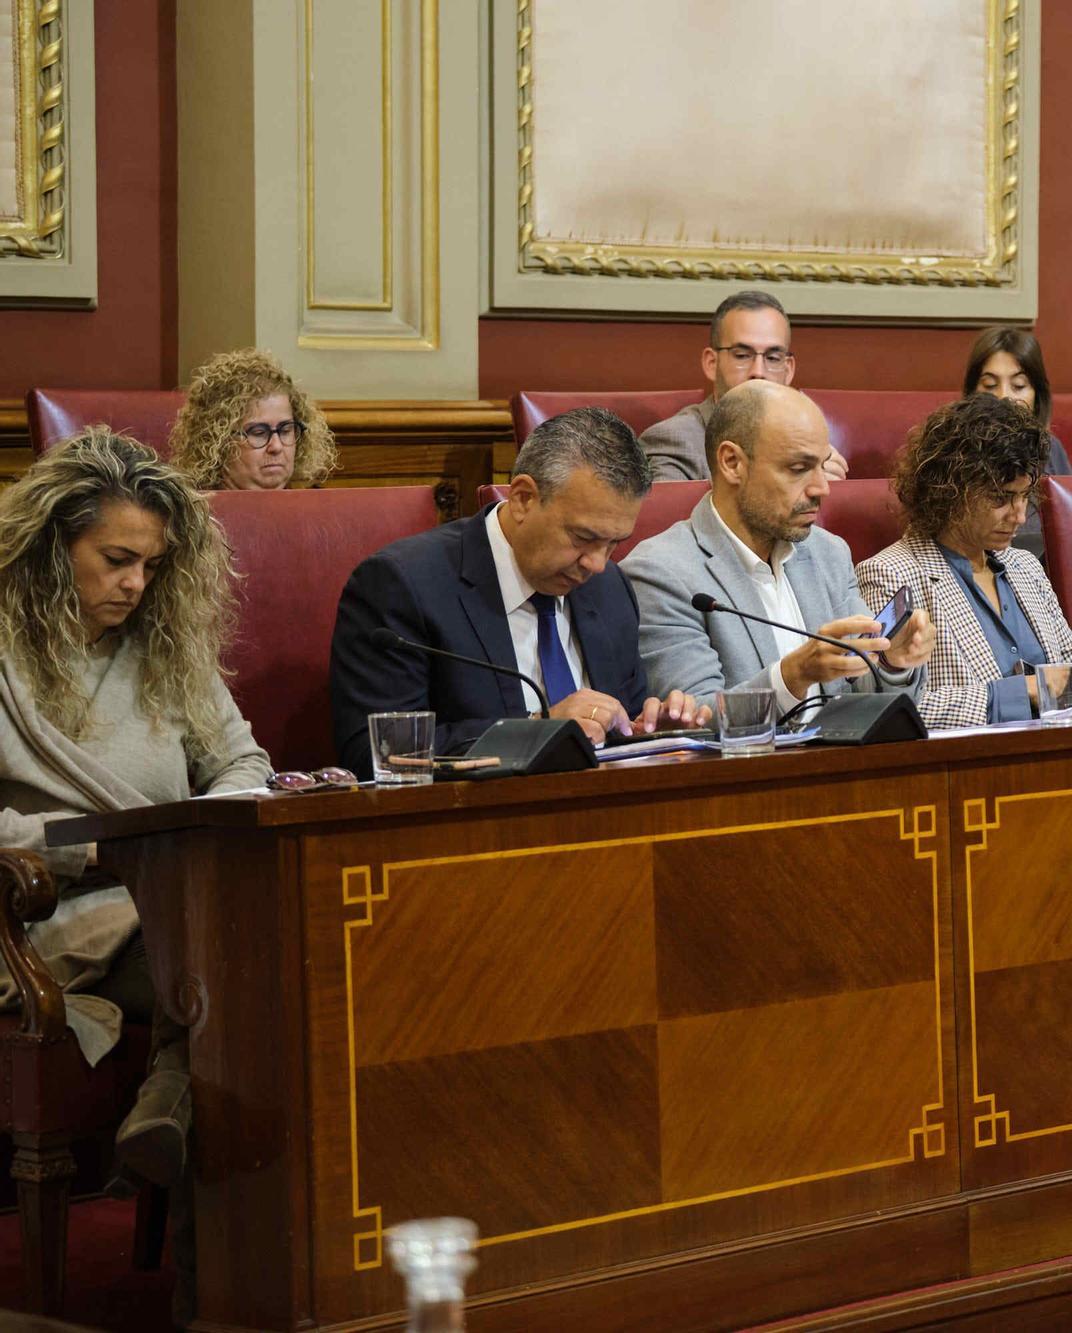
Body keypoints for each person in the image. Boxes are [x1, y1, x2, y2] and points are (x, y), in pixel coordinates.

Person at [0, 428, 271, 1209]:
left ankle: (165, 1120)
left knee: (237, 949)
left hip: (170, 900)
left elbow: (244, 762)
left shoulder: (164, 648)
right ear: (54, 548)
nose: (137, 584)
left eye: (152, 565)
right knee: (236, 957)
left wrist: (205, 828)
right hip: (47, 917)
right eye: (116, 560)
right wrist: (93, 853)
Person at [329, 407, 708, 774]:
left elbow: (617, 726)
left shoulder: (609, 588)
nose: (596, 562)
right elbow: (377, 753)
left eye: (613, 543)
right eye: (584, 538)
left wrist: (652, 735)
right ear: (524, 498)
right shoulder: (403, 586)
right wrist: (535, 728)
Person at [624, 382, 934, 712]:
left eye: (822, 465)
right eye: (798, 469)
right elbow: (693, 720)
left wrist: (892, 663)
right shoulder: (660, 573)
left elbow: (865, 692)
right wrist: (792, 677)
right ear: (732, 463)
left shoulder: (829, 553)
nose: (822, 488)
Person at [858, 394, 1072, 728]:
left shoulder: (1024, 566)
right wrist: (1021, 692)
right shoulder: (891, 573)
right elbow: (895, 708)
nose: (1021, 516)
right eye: (1001, 498)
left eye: (1025, 495)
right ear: (950, 490)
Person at [638, 290, 849, 483]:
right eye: (742, 355)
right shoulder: (674, 441)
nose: (758, 371)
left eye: (773, 357)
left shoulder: (811, 441)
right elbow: (671, 520)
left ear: (788, 370)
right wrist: (793, 480)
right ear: (712, 363)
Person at [962, 326, 1072, 554]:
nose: (1004, 396)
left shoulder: (1051, 449)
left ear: (1037, 396)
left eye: (1019, 386)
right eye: (990, 385)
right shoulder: (955, 452)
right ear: (972, 392)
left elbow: (1067, 535)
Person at [167, 347, 339, 491]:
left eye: (286, 430)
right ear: (216, 442)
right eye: (258, 433)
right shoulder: (190, 523)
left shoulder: (313, 513)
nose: (277, 446)